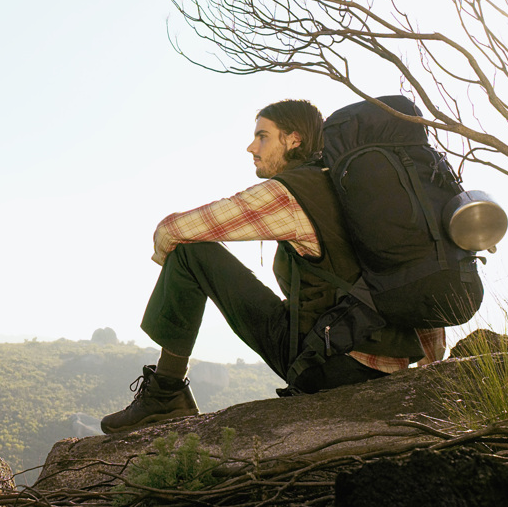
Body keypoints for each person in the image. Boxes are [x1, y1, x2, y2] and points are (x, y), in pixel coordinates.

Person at [100, 99, 444, 434]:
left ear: (293, 139)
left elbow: (173, 230)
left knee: (192, 253)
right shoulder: (354, 189)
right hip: (386, 361)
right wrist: (427, 367)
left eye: (262, 136)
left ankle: (166, 393)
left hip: (327, 364)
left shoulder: (291, 193)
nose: (251, 147)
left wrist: (168, 260)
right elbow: (409, 270)